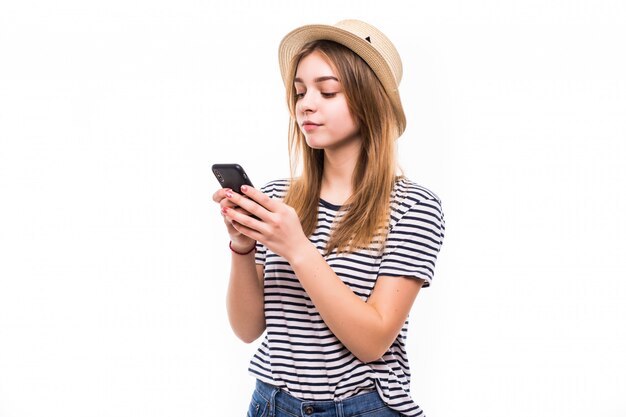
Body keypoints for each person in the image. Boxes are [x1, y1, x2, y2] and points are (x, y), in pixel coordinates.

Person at [213, 19, 445, 417]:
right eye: (300, 91)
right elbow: (248, 329)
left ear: (369, 100)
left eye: (328, 91)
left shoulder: (414, 207)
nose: (306, 103)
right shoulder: (278, 198)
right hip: (270, 403)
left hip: (362, 408)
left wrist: (298, 249)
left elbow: (372, 341)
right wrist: (242, 246)